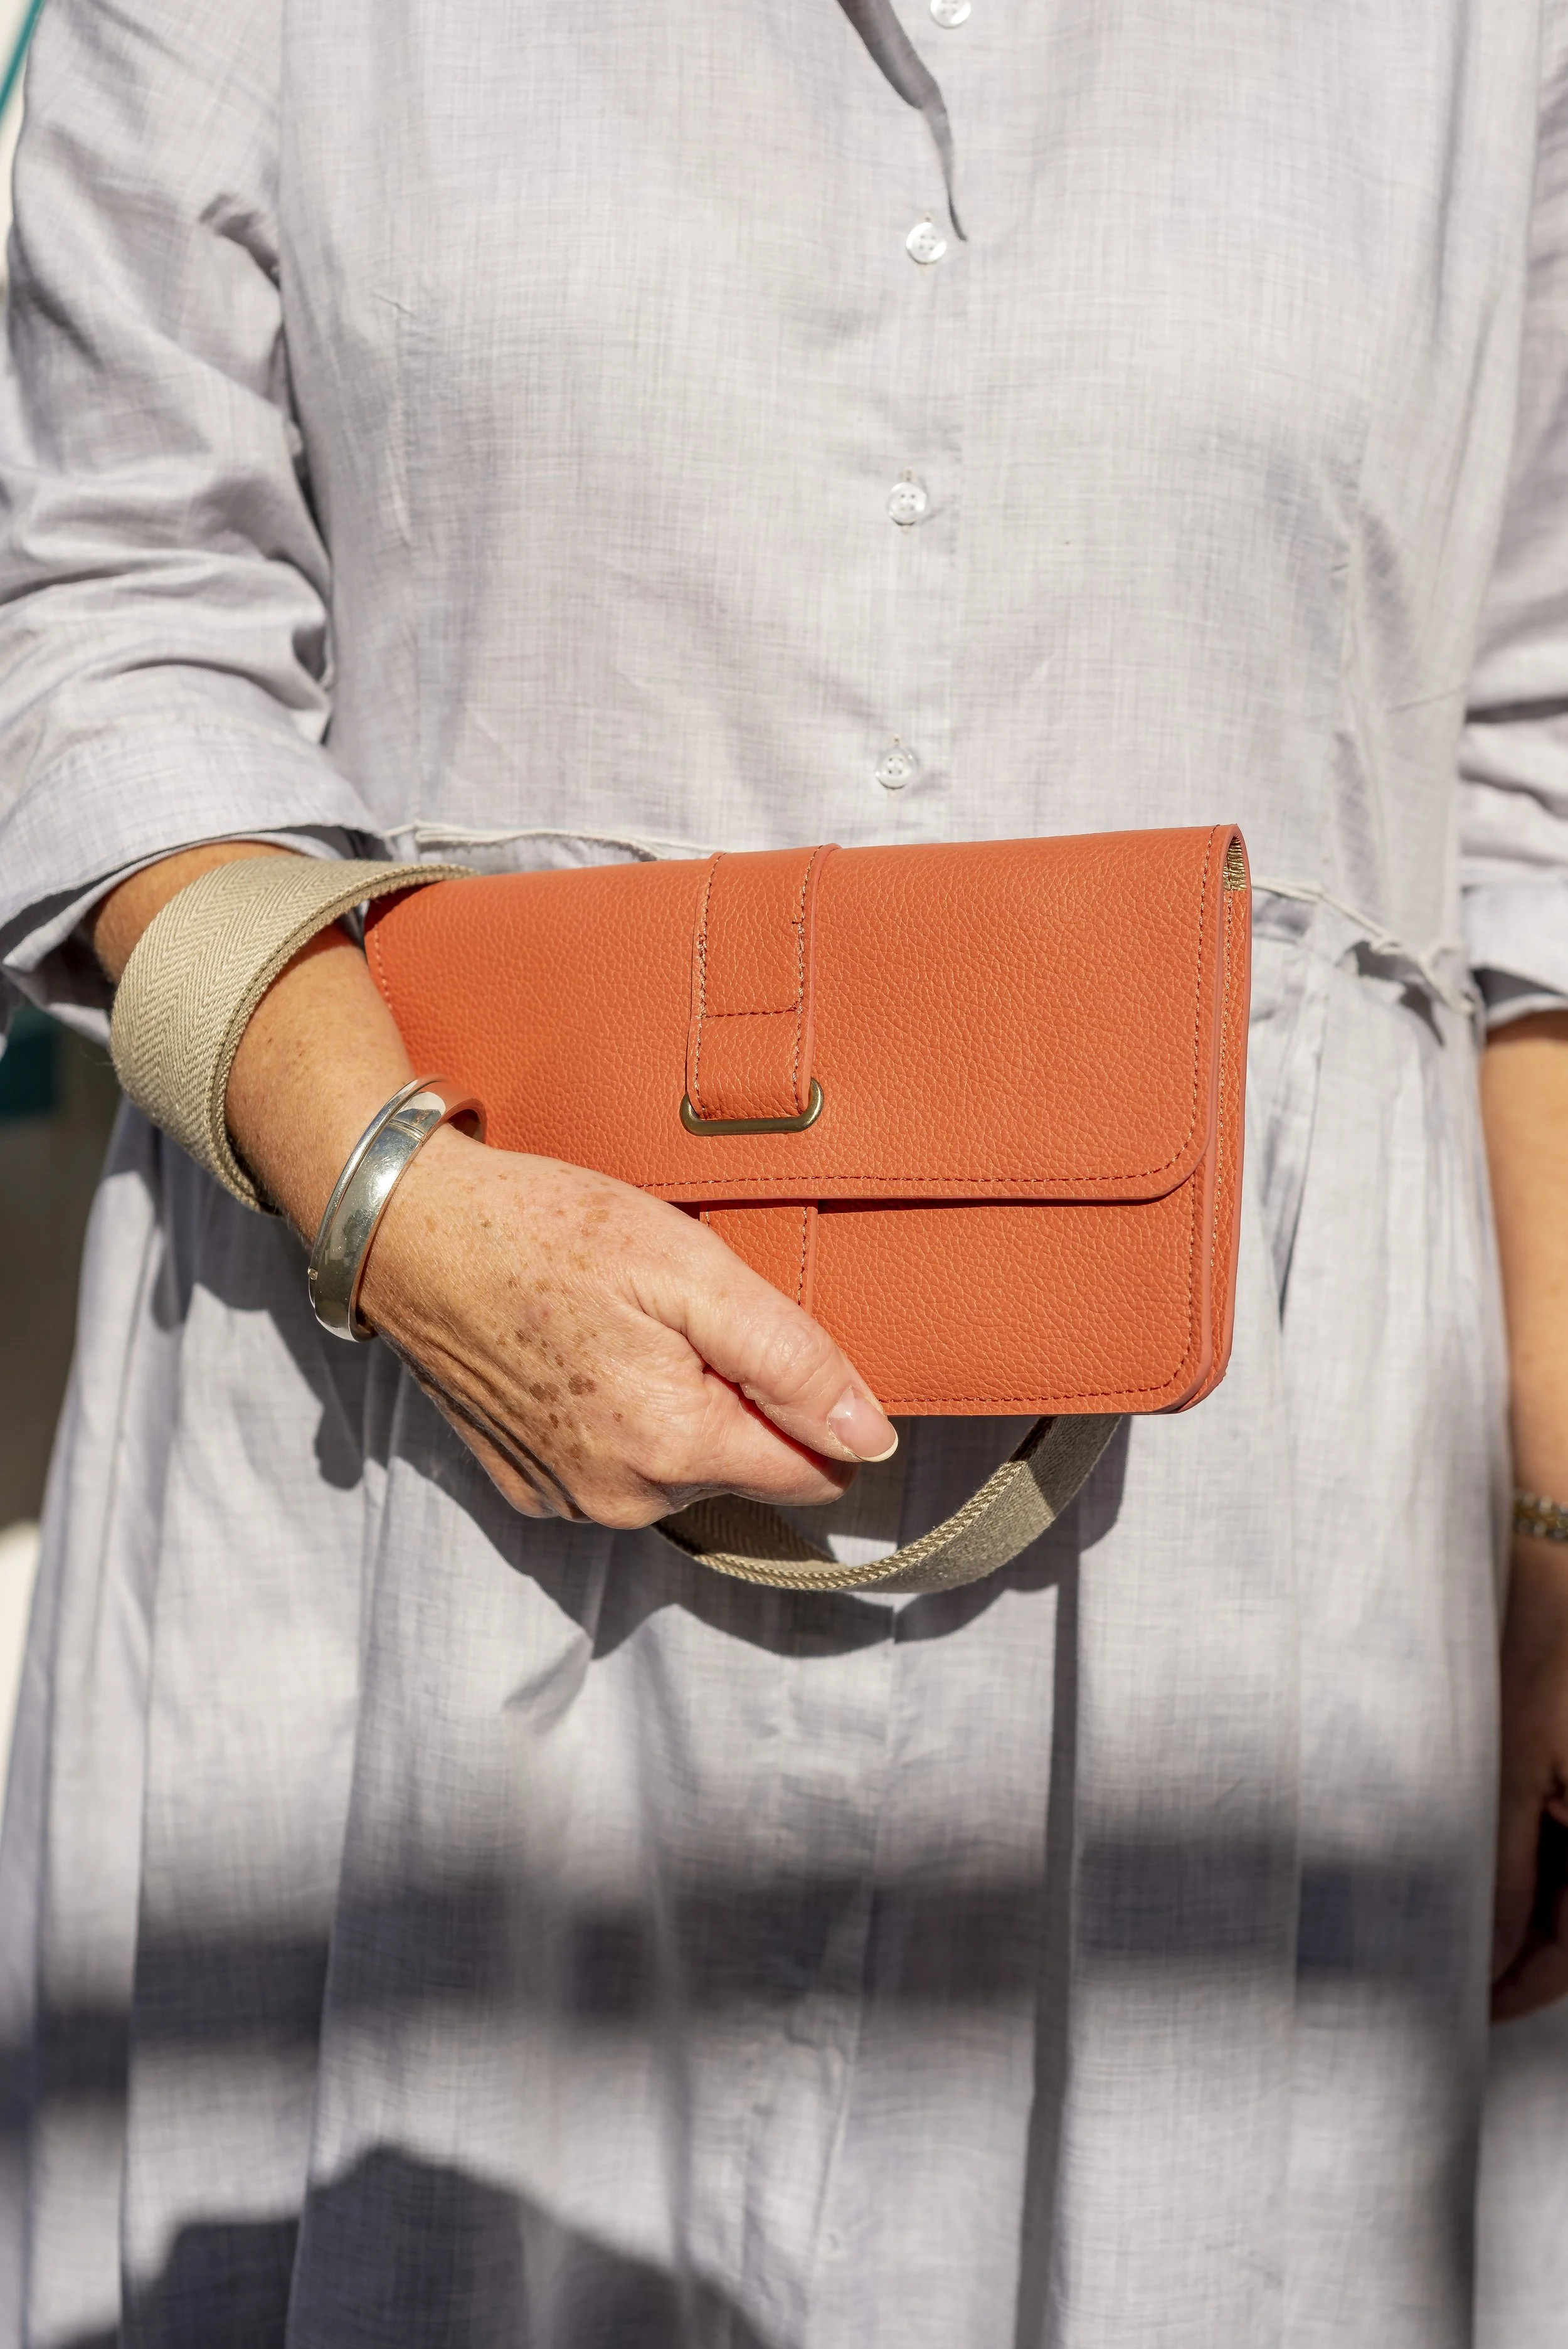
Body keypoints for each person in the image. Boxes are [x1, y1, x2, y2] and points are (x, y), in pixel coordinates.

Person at [2, 0, 1568, 2341]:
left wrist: (1550, 1529)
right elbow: (100, 614)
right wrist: (400, 1210)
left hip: (1226, 1573)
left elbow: (1538, 801)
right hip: (414, 1474)